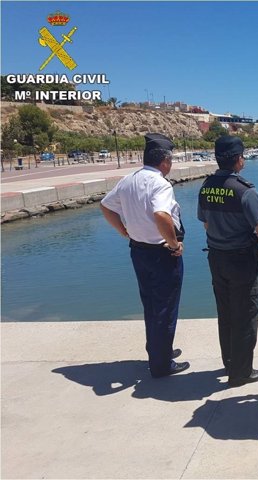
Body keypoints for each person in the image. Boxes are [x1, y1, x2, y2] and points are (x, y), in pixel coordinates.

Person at [101, 133, 189, 378]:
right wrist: (173, 245)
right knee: (165, 308)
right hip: (162, 254)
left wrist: (123, 231)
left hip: (139, 251)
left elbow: (106, 206)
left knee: (150, 305)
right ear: (165, 161)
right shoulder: (160, 183)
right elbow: (161, 215)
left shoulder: (129, 179)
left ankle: (158, 351)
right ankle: (161, 365)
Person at [197, 136, 258, 387]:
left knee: (226, 311)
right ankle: (241, 372)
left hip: (216, 257)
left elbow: (205, 222)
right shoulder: (245, 191)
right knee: (246, 313)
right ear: (238, 159)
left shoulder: (206, 186)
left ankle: (230, 361)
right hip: (242, 259)